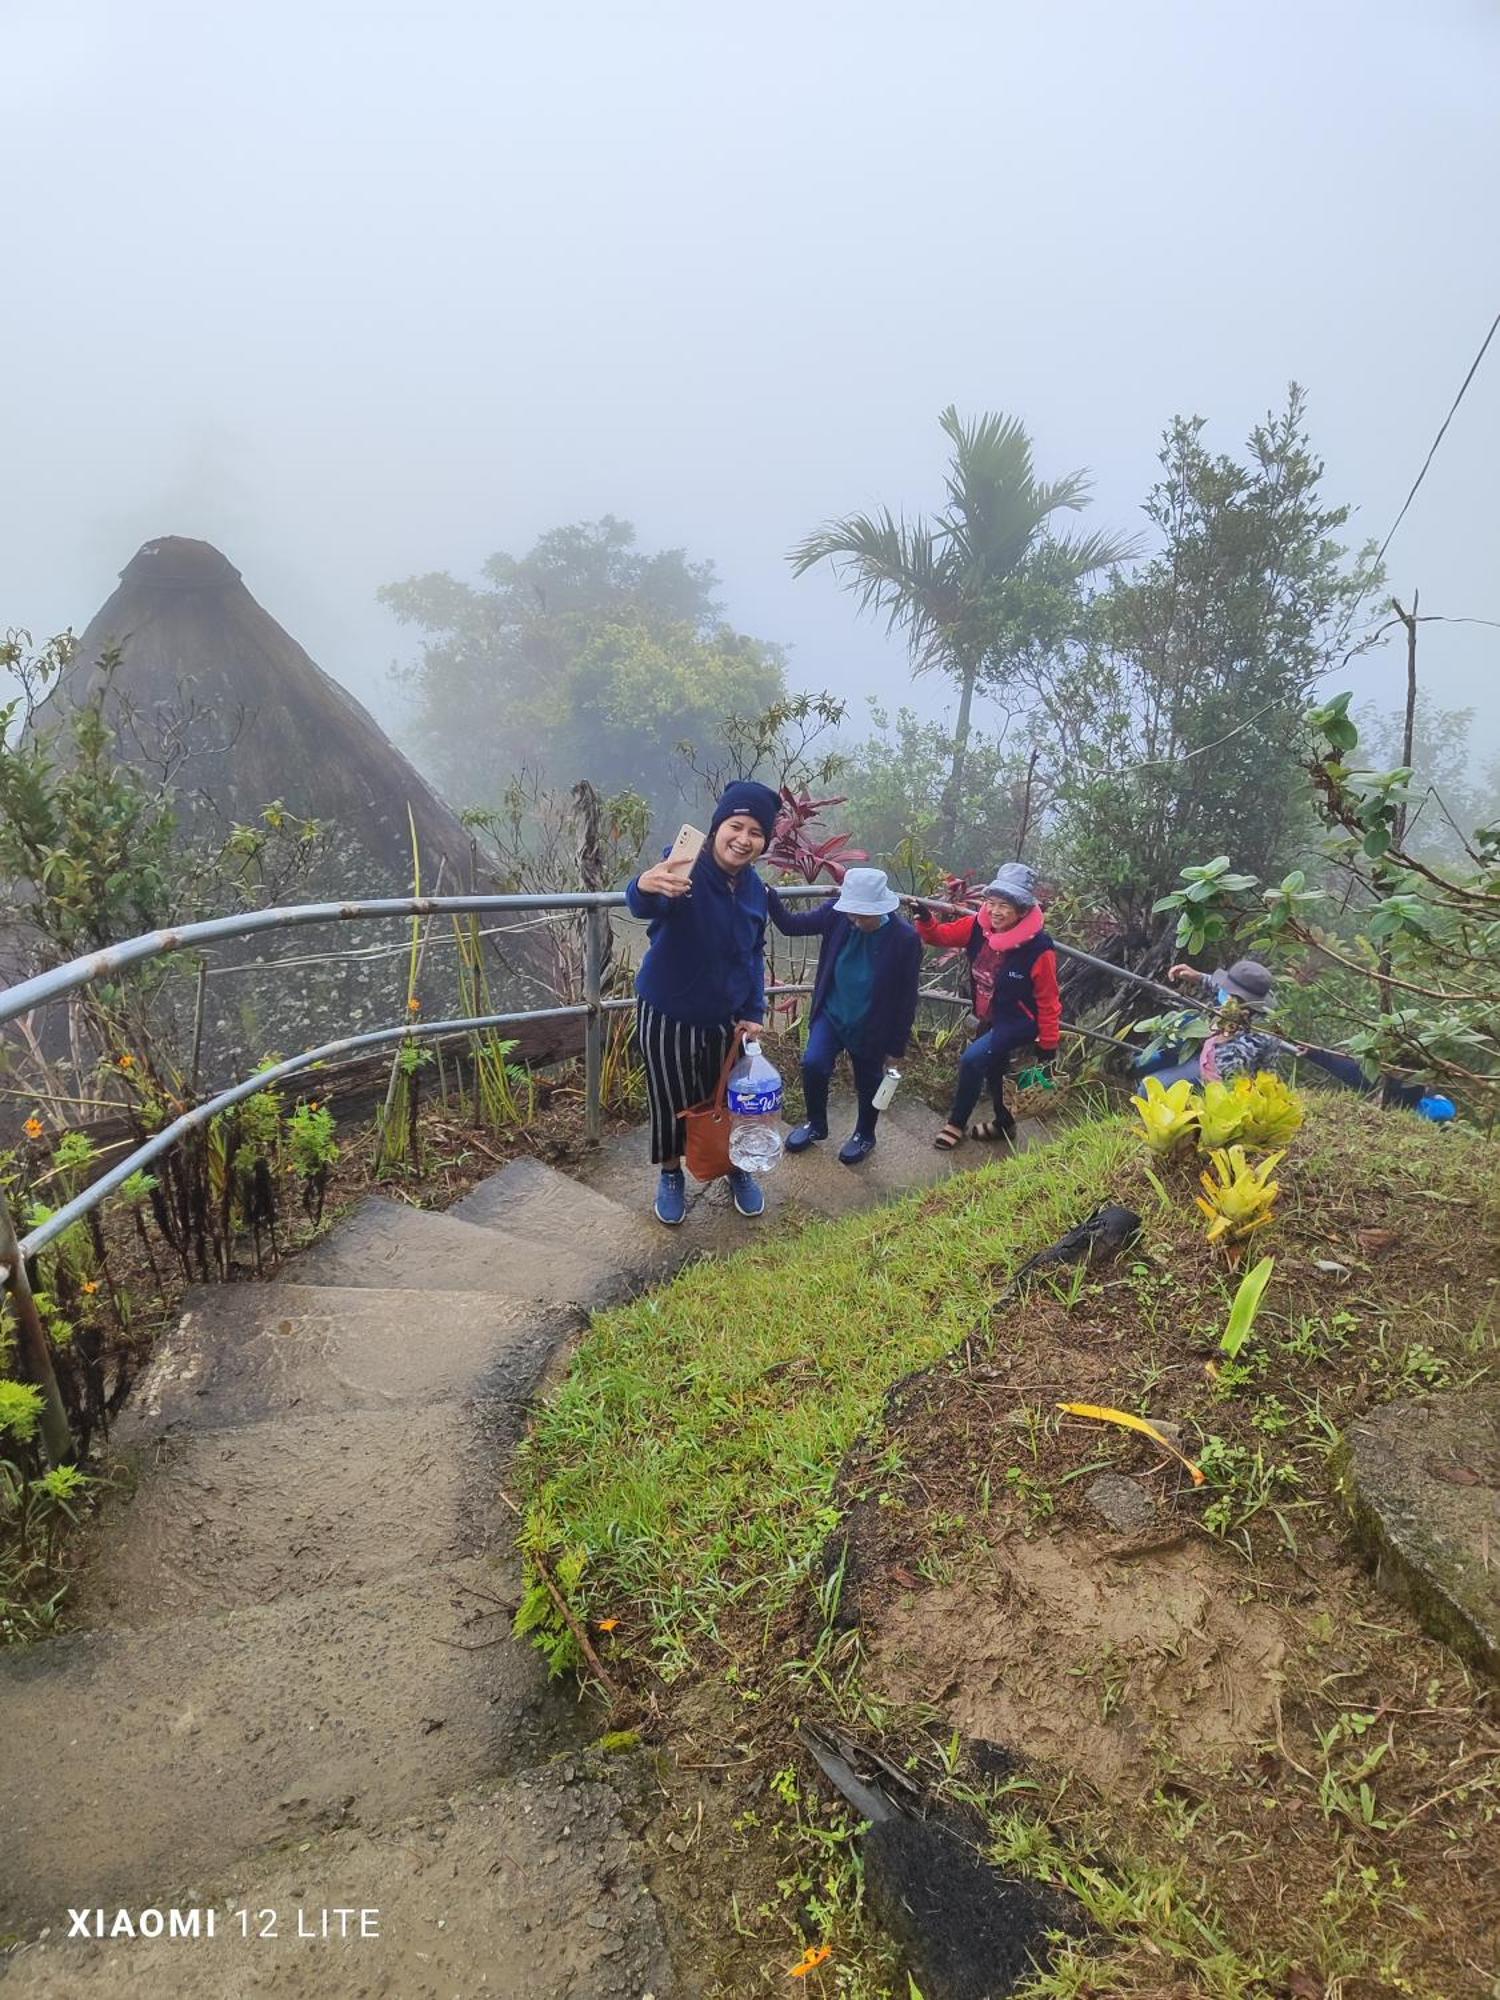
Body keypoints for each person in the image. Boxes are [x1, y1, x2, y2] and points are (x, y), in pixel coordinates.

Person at [626, 780, 781, 1225]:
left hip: (727, 1019)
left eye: (755, 831)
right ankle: (671, 1174)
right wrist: (643, 884)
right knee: (670, 1098)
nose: (743, 838)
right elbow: (647, 903)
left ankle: (735, 1168)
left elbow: (754, 951)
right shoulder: (685, 869)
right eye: (736, 825)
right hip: (668, 1012)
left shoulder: (755, 891)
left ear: (764, 841)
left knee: (730, 1100)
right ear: (716, 828)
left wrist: (754, 1011)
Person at [767, 867, 922, 1166]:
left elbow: (907, 997)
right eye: (852, 912)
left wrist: (896, 1047)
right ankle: (816, 1124)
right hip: (833, 1011)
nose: (855, 919)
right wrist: (768, 897)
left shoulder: (905, 939)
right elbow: (790, 925)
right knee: (813, 1064)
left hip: (871, 1022)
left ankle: (865, 1134)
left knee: (869, 1080)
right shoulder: (837, 915)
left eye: (863, 915)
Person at [911, 862, 1061, 1151]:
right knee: (995, 1070)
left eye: (1004, 905)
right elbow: (939, 937)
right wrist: (926, 919)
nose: (995, 911)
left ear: (1022, 911)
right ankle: (1004, 1124)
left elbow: (1048, 998)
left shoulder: (1039, 948)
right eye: (991, 903)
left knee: (972, 1060)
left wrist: (1048, 1042)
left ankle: (956, 1122)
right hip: (988, 1017)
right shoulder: (977, 928)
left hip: (1018, 1022)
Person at [1165, 958, 1287, 1083]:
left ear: (1243, 1001)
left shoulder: (1261, 1034)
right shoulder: (1247, 1000)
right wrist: (1198, 977)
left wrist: (1224, 1032)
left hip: (1223, 1075)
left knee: (1149, 1087)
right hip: (1206, 1051)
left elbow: (1224, 1070)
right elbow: (1222, 988)